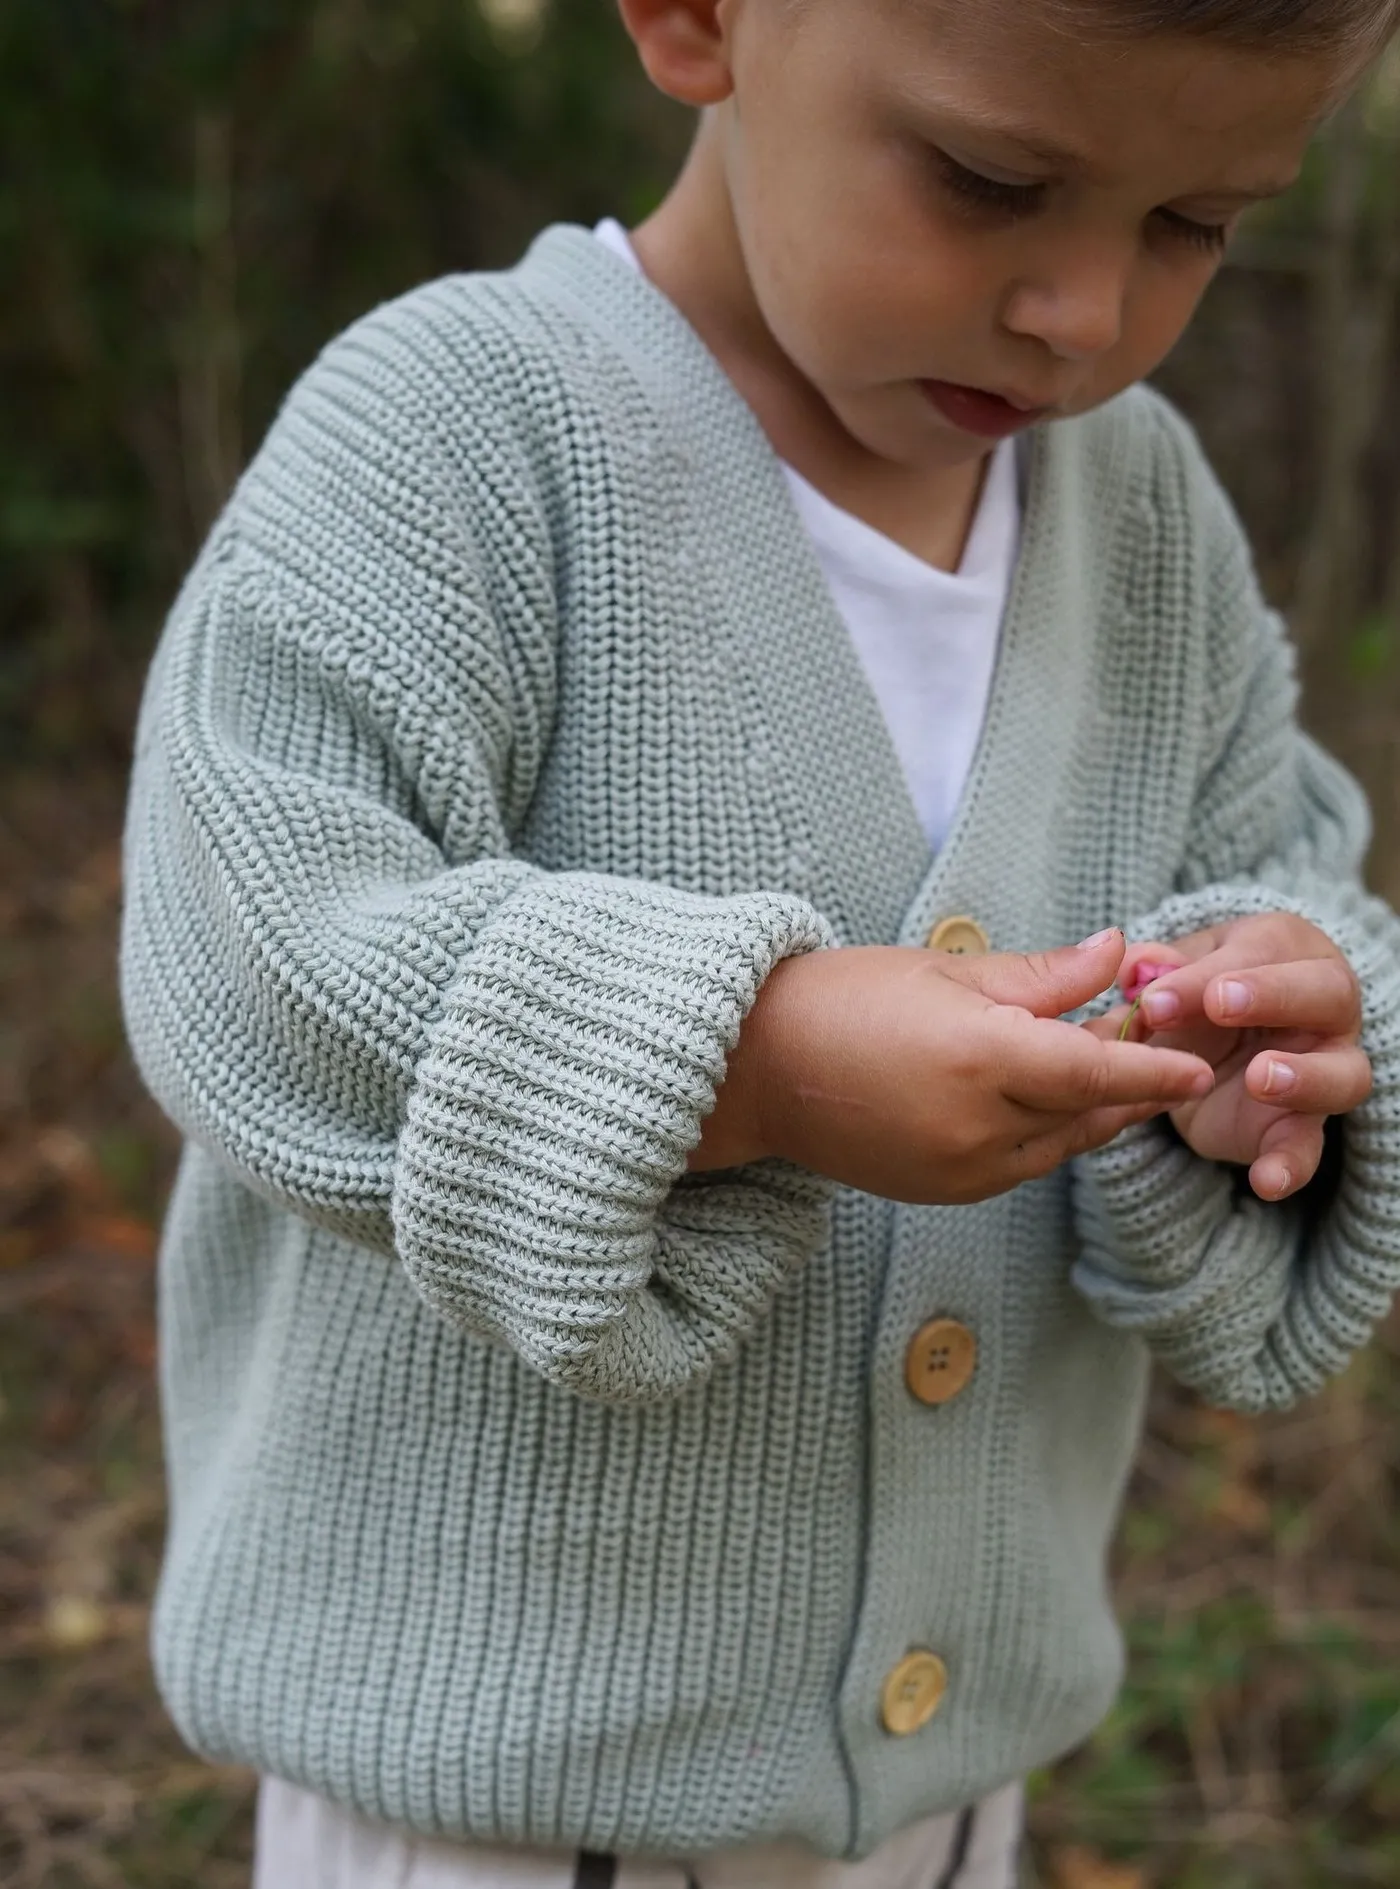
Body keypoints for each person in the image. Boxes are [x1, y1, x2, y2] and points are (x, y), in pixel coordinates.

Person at [119, 1, 1400, 1884]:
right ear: (703, 18)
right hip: (487, 1800)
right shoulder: (460, 434)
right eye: (990, 181)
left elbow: (1289, 874)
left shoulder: (1143, 525)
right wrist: (755, 1060)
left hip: (947, 1798)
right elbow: (260, 948)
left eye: (1194, 225)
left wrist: (1269, 1032)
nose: (1084, 316)